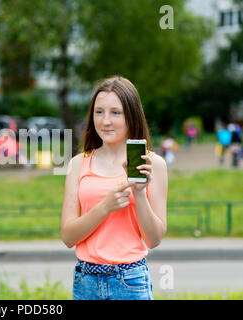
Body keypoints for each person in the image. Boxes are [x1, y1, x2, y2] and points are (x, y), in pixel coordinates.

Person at [61, 76, 168, 300]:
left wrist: (139, 194)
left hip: (130, 281)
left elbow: (154, 239)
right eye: (99, 112)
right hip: (85, 281)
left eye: (115, 112)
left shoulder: (152, 164)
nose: (105, 121)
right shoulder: (78, 163)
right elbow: (68, 236)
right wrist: (105, 207)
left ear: (132, 115)